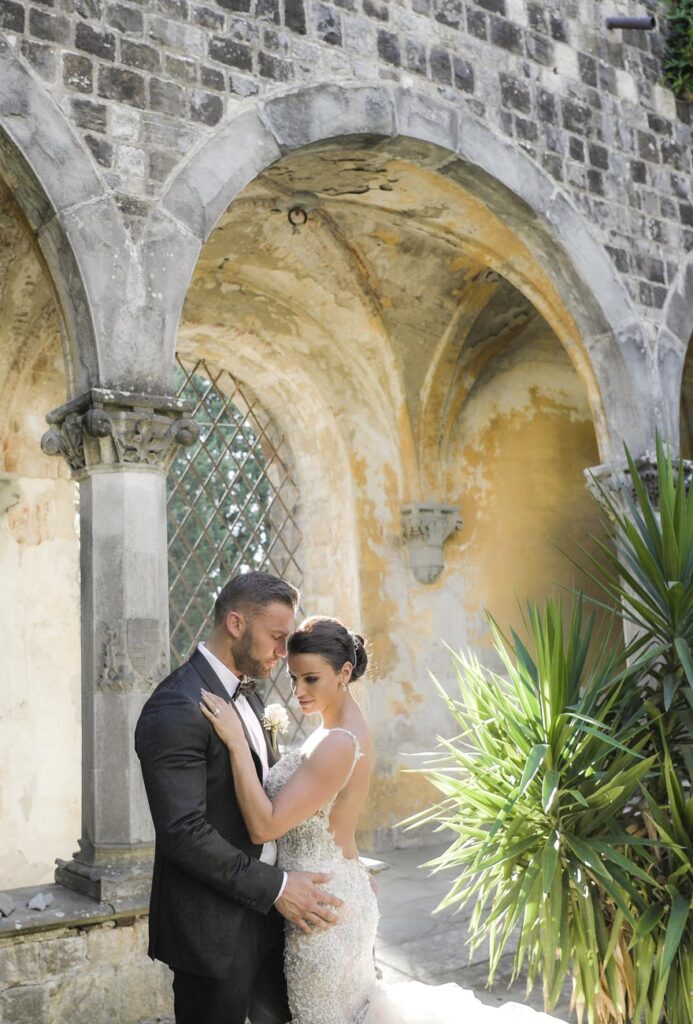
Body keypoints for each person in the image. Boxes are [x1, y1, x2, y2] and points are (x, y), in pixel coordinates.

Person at [200, 615, 568, 1024]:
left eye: (310, 679)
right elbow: (337, 820)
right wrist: (355, 870)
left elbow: (264, 827)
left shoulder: (339, 741)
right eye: (293, 678)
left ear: (343, 673)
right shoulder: (339, 728)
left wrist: (236, 744)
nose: (298, 691)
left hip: (323, 912)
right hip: (337, 893)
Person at [135, 572, 343, 1024]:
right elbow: (182, 833)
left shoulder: (247, 698)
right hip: (214, 929)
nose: (283, 653)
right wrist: (280, 889)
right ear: (235, 623)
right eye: (276, 637)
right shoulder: (175, 707)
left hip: (270, 917)